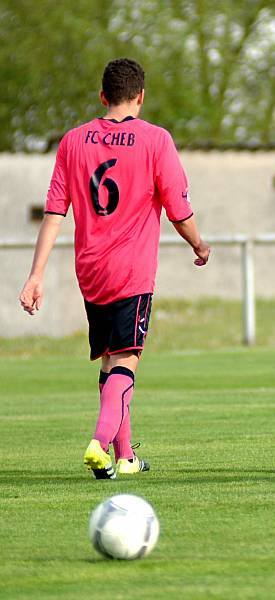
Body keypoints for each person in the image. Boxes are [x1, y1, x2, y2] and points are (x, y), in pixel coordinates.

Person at [19, 58, 210, 479]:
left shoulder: (72, 141)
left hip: (90, 271)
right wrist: (198, 244)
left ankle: (125, 458)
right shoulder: (156, 140)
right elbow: (179, 209)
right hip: (132, 270)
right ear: (140, 96)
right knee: (127, 360)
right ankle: (98, 443)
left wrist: (36, 275)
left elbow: (54, 212)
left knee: (110, 363)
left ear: (103, 96)